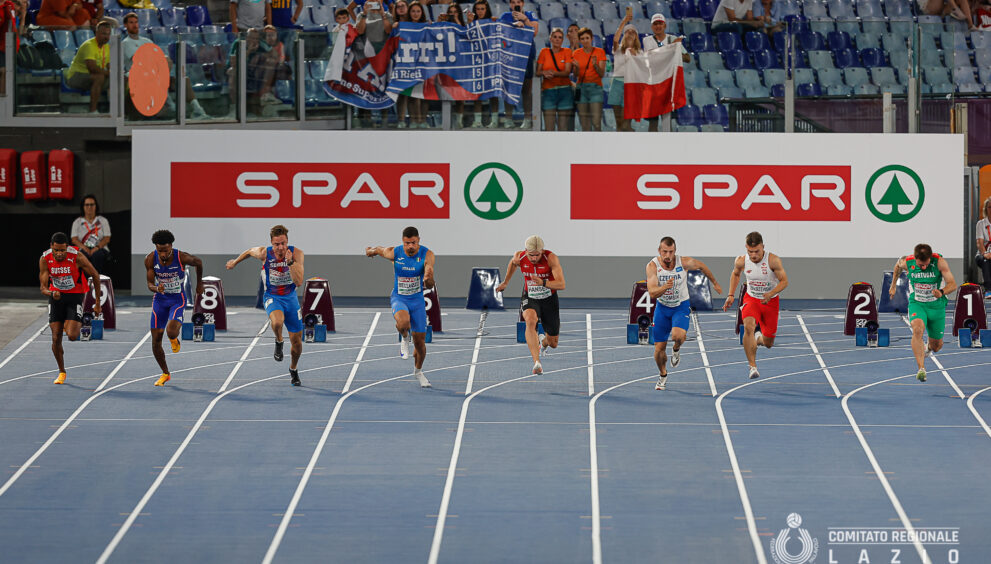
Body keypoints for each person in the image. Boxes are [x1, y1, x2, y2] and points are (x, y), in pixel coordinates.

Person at [226, 224, 306, 386]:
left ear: (287, 242)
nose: (280, 247)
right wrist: (235, 262)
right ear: (271, 243)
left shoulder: (296, 254)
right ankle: (278, 341)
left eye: (283, 243)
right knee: (277, 322)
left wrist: (290, 263)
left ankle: (293, 369)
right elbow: (249, 251)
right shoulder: (264, 253)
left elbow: (298, 281)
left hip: (290, 298)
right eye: (277, 244)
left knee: (297, 344)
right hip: (272, 296)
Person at [646, 237, 722, 390]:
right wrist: (665, 288)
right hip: (662, 309)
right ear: (659, 251)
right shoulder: (652, 266)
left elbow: (701, 266)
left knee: (677, 336)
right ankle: (662, 375)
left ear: (675, 251)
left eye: (671, 252)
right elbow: (653, 293)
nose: (668, 255)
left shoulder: (683, 262)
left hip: (680, 306)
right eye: (664, 252)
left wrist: (714, 282)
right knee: (658, 349)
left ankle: (676, 349)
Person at [364, 226, 435, 388]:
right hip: (399, 298)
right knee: (403, 323)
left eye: (414, 243)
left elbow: (430, 282)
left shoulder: (427, 254)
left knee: (420, 345)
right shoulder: (395, 252)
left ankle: (418, 372)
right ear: (403, 242)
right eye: (407, 243)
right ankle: (404, 337)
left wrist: (429, 278)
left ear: (419, 241)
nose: (410, 246)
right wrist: (371, 251)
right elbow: (380, 250)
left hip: (417, 301)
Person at [721, 231, 788, 380]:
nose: (753, 255)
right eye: (750, 251)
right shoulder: (741, 260)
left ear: (763, 247)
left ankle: (758, 338)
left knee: (768, 342)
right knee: (748, 326)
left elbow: (784, 281)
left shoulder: (773, 260)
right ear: (746, 248)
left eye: (757, 251)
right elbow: (736, 274)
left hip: (770, 302)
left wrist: (770, 293)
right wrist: (731, 295)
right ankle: (752, 367)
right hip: (751, 299)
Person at [495, 236, 566, 375]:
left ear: (542, 251)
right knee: (530, 320)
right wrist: (506, 282)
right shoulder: (519, 257)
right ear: (526, 251)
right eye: (531, 255)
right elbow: (512, 263)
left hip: (549, 298)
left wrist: (544, 283)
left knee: (553, 343)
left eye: (537, 255)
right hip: (530, 296)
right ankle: (537, 363)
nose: (533, 258)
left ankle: (543, 343)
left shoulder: (551, 258)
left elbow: (561, 284)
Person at [120, 12, 209, 119]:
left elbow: (160, 58)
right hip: (139, 78)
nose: (134, 25)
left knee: (183, 79)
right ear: (125, 25)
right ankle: (169, 104)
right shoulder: (125, 43)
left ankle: (197, 110)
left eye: (136, 22)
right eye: (131, 23)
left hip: (155, 74)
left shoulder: (147, 41)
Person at [39, 232, 101, 385]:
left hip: (75, 297)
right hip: (56, 298)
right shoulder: (45, 259)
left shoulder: (77, 256)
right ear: (51, 248)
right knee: (55, 337)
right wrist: (52, 293)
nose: (59, 254)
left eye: (62, 250)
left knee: (72, 335)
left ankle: (80, 318)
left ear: (67, 247)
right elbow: (43, 288)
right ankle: (61, 371)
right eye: (56, 251)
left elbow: (95, 275)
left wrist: (98, 302)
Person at [890, 244, 958, 382]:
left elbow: (953, 284)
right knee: (917, 329)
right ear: (915, 259)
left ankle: (928, 347)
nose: (924, 267)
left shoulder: (939, 262)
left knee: (937, 346)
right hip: (918, 304)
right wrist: (893, 287)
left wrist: (942, 292)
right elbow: (897, 266)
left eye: (926, 264)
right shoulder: (907, 262)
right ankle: (921, 369)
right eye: (921, 265)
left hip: (936, 306)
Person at [145, 230, 203, 387]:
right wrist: (156, 288)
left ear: (171, 246)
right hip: (160, 300)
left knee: (171, 331)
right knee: (156, 340)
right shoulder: (150, 259)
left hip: (177, 300)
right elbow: (150, 283)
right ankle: (165, 373)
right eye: (160, 251)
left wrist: (199, 283)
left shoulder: (181, 257)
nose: (163, 254)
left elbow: (198, 262)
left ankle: (173, 338)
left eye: (165, 250)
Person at [642, 13, 689, 132]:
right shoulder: (647, 40)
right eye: (655, 24)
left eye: (660, 23)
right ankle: (651, 148)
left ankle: (668, 147)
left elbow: (688, 58)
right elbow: (650, 55)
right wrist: (672, 48)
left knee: (667, 122)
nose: (658, 26)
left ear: (665, 25)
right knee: (653, 121)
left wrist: (675, 49)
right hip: (653, 85)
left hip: (668, 85)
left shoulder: (672, 39)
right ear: (652, 27)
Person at [498, 0, 539, 129]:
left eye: (518, 2)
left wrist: (525, 20)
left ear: (522, 3)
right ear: (510, 4)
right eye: (513, 2)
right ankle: (508, 118)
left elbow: (534, 32)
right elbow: (499, 33)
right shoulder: (505, 16)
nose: (516, 4)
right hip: (509, 55)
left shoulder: (530, 15)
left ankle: (527, 119)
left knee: (527, 89)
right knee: (508, 88)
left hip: (526, 55)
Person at [65, 19, 112, 114]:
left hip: (92, 77)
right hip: (76, 76)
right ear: (96, 33)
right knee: (99, 77)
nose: (106, 37)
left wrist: (115, 74)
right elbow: (92, 68)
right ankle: (93, 111)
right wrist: (109, 73)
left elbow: (109, 65)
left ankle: (120, 111)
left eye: (108, 34)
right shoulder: (89, 45)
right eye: (104, 34)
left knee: (122, 79)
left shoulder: (107, 47)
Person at [466, 0, 500, 128]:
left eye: (482, 9)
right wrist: (469, 23)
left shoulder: (492, 22)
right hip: (477, 61)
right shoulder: (472, 23)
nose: (480, 11)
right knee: (478, 91)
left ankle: (495, 121)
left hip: (491, 61)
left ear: (487, 10)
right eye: (478, 9)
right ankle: (477, 120)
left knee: (493, 92)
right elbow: (467, 38)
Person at [536, 27, 572, 131]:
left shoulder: (567, 51)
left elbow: (567, 72)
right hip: (548, 91)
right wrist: (544, 72)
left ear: (562, 40)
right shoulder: (544, 52)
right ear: (550, 38)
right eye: (555, 37)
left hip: (564, 91)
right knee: (549, 128)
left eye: (560, 37)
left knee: (563, 128)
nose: (557, 39)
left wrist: (553, 73)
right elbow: (538, 72)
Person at [610, 12, 641, 132]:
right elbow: (615, 39)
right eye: (628, 31)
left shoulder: (640, 52)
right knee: (619, 123)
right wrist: (624, 21)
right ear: (624, 34)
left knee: (625, 121)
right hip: (617, 83)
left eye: (633, 32)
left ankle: (629, 139)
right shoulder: (617, 49)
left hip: (631, 84)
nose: (630, 33)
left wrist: (636, 56)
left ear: (636, 37)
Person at [571, 27, 606, 131]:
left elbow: (601, 74)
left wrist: (595, 65)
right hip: (580, 88)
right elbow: (575, 76)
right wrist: (576, 68)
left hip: (595, 88)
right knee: (584, 124)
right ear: (579, 40)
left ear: (591, 39)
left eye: (587, 38)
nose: (585, 41)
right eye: (582, 38)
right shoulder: (576, 53)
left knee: (596, 123)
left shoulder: (600, 52)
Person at [70, 194, 111, 274]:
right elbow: (74, 239)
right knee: (82, 256)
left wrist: (96, 248)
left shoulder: (103, 221)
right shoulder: (77, 222)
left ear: (96, 206)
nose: (89, 207)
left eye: (92, 204)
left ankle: (96, 280)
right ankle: (86, 282)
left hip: (100, 248)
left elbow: (107, 238)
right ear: (83, 207)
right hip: (83, 249)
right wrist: (85, 249)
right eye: (87, 205)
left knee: (97, 255)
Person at [0, 0, 26, 97]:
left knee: (7, 72)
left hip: (10, 48)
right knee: (4, 71)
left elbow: (19, 34)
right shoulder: (5, 9)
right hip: (3, 47)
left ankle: (5, 99)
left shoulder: (12, 13)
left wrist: (23, 16)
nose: (19, 8)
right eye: (19, 5)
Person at [976, 196, 991, 298]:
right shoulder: (981, 224)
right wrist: (985, 253)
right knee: (986, 261)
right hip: (983, 254)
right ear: (986, 209)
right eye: (990, 207)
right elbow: (979, 243)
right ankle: (989, 290)